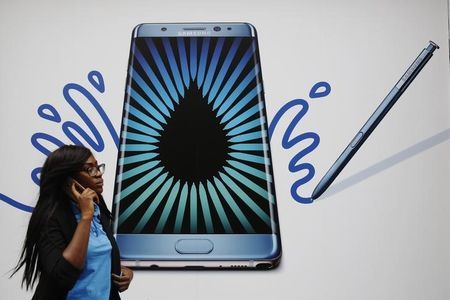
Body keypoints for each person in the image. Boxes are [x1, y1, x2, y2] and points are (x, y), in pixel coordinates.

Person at [11, 145, 133, 299]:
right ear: (68, 179)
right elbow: (64, 274)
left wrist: (123, 271)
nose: (98, 175)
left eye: (98, 167)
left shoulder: (98, 211)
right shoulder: (51, 219)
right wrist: (85, 217)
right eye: (89, 169)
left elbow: (94, 260)